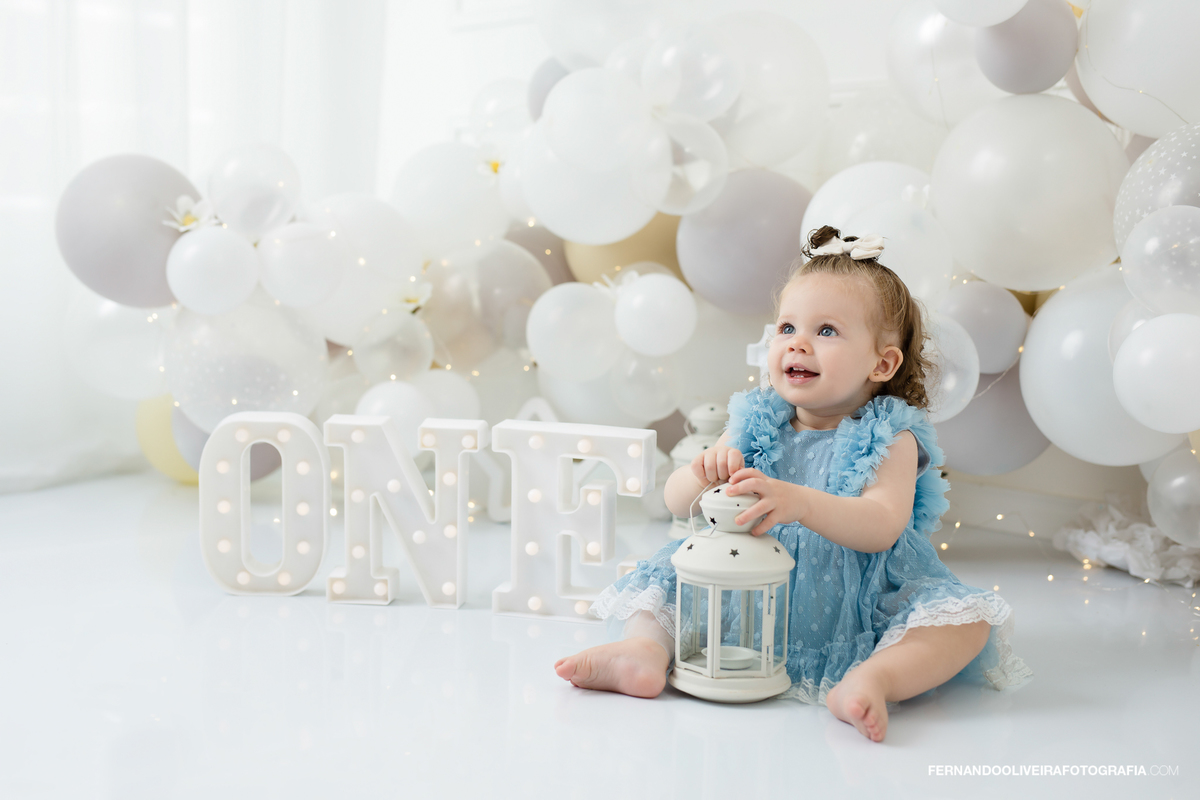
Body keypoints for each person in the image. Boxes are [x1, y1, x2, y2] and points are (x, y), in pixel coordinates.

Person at [554, 225, 1032, 743]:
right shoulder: (760, 421)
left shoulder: (891, 436)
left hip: (860, 596)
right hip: (745, 593)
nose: (797, 343)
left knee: (963, 623)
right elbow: (674, 502)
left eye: (826, 331)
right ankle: (644, 653)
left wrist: (800, 501)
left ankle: (874, 677)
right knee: (667, 583)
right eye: (786, 328)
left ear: (882, 363)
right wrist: (701, 471)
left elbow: (882, 526)